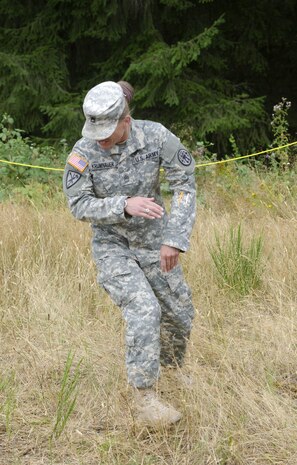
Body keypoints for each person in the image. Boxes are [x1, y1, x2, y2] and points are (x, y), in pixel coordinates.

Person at [63, 80, 196, 427]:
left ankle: (171, 372)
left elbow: (184, 182)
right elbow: (78, 205)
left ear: (126, 119)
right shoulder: (82, 153)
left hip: (156, 242)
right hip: (113, 247)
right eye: (95, 131)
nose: (100, 139)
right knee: (144, 308)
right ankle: (144, 398)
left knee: (179, 312)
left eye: (108, 131)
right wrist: (123, 205)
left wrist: (175, 238)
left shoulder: (156, 137)